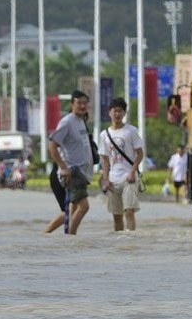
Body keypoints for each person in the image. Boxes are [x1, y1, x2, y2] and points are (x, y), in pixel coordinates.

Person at [48, 90, 94, 235]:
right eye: (79, 103)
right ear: (72, 104)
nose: (82, 106)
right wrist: (63, 167)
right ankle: (70, 237)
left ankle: (57, 236)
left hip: (82, 172)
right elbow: (52, 145)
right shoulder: (67, 121)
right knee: (84, 207)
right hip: (73, 171)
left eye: (84, 103)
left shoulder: (81, 121)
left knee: (71, 209)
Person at [98, 97, 145, 231]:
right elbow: (105, 159)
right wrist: (105, 178)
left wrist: (133, 171)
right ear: (109, 112)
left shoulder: (131, 131)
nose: (117, 114)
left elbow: (140, 153)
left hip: (129, 178)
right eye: (115, 111)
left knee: (129, 211)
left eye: (120, 111)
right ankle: (119, 244)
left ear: (124, 113)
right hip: (113, 179)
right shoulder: (104, 135)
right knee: (117, 216)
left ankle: (130, 242)